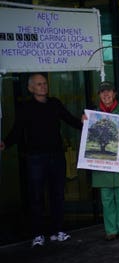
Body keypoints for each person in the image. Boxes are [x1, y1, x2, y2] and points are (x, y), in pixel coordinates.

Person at [0, 73, 82, 247]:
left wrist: (87, 122)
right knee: (36, 197)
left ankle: (57, 231)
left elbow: (71, 120)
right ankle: (37, 234)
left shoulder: (55, 104)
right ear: (31, 88)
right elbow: (17, 131)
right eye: (39, 84)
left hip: (57, 156)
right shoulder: (25, 108)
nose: (43, 86)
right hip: (35, 158)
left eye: (44, 83)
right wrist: (5, 143)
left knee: (58, 194)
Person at [89, 81, 119, 241]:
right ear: (99, 95)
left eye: (109, 91)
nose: (106, 95)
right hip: (102, 163)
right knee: (106, 197)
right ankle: (111, 230)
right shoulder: (92, 113)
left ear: (114, 93)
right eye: (102, 92)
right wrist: (85, 121)